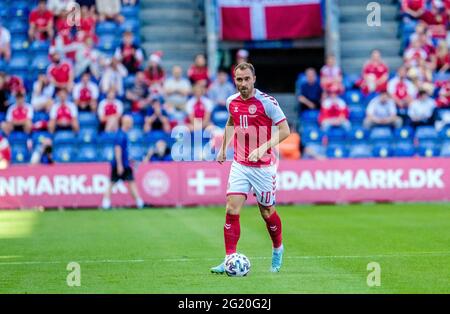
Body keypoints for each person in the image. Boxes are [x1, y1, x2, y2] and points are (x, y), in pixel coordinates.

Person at [211, 62, 290, 274]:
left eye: (247, 79)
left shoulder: (267, 102)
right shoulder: (231, 101)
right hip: (240, 164)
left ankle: (277, 248)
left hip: (263, 167)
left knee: (266, 211)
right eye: (239, 79)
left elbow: (285, 130)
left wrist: (263, 147)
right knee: (231, 208)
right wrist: (223, 148)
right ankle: (229, 259)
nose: (243, 83)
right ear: (234, 80)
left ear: (254, 79)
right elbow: (231, 122)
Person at [101, 115, 144, 210]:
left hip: (124, 163)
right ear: (126, 123)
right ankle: (105, 203)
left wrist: (129, 159)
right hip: (120, 164)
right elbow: (117, 149)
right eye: (130, 122)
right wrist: (120, 164)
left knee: (130, 182)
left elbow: (124, 150)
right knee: (112, 183)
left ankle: (140, 203)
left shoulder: (123, 134)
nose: (132, 124)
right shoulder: (120, 134)